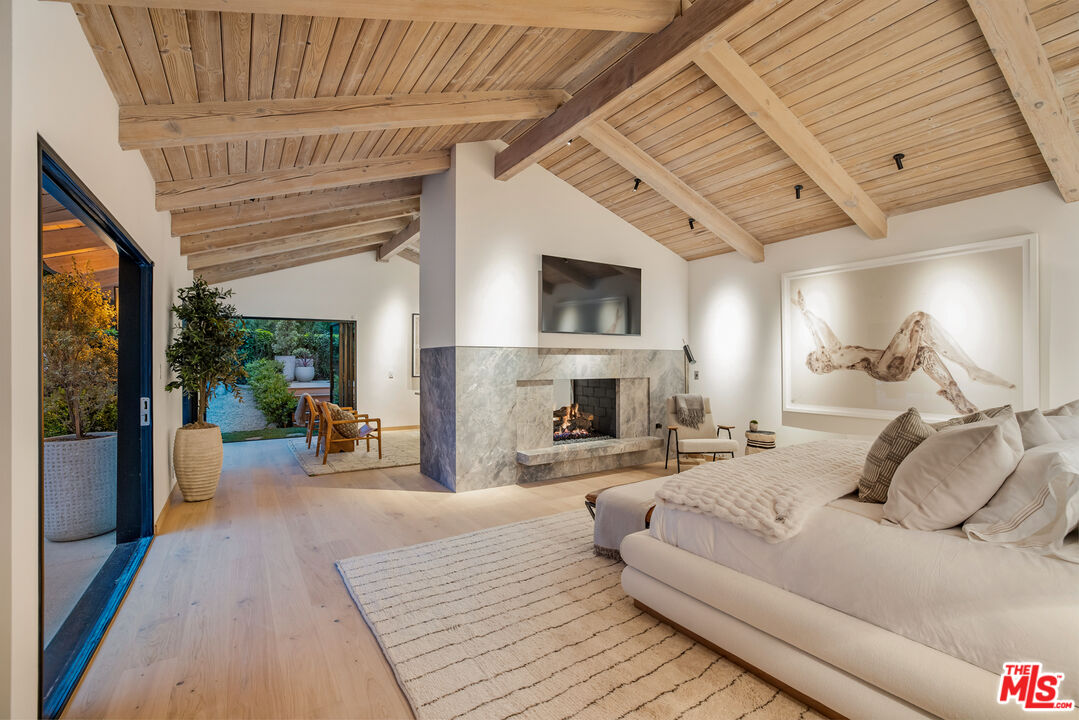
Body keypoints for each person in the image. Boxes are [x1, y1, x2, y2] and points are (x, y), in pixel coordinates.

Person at [793, 290, 1014, 414]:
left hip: (890, 368)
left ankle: (957, 396)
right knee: (918, 318)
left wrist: (805, 311)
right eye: (815, 356)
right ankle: (971, 370)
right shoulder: (834, 355)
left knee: (925, 351)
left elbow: (818, 331)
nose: (817, 350)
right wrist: (805, 312)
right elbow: (817, 331)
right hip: (885, 367)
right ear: (821, 365)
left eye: (815, 353)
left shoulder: (837, 353)